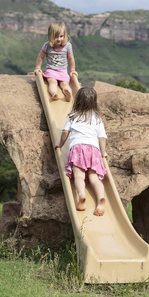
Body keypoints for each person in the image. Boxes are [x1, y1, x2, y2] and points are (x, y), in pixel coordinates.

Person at [55, 87, 107, 216]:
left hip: (78, 149)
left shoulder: (73, 116)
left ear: (77, 101)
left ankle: (82, 195)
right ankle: (101, 198)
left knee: (79, 176)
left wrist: (60, 144)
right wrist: (103, 152)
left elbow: (65, 132)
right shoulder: (97, 118)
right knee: (94, 178)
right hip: (93, 150)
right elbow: (102, 137)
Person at [34, 21, 77, 101]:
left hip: (63, 71)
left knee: (64, 84)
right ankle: (54, 93)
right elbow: (40, 57)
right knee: (52, 82)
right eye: (56, 37)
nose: (59, 39)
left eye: (61, 36)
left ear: (64, 35)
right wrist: (38, 67)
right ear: (51, 36)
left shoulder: (67, 46)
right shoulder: (47, 46)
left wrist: (72, 70)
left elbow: (71, 59)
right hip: (51, 70)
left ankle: (68, 94)